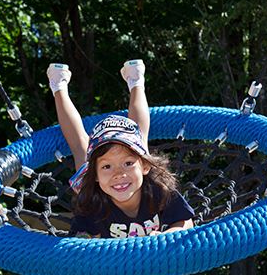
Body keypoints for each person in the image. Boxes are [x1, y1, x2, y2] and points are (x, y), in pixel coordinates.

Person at [47, 60, 194, 238]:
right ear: (94, 175)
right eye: (107, 167)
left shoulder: (158, 189)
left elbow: (185, 221)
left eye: (128, 163)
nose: (118, 174)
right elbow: (81, 239)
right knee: (80, 146)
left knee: (139, 139)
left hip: (143, 172)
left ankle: (137, 81)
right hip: (93, 185)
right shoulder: (92, 202)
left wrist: (169, 235)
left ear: (145, 167)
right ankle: (58, 86)